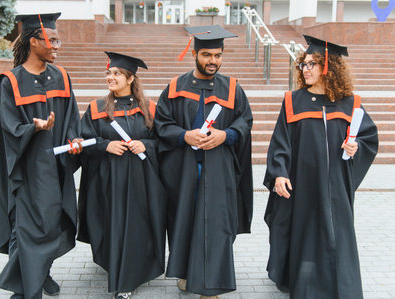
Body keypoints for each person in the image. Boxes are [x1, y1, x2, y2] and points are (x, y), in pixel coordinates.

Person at [263, 35, 379, 299]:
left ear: (329, 68)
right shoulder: (293, 101)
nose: (306, 69)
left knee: (339, 236)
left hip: (337, 186)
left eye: (313, 64)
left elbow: (368, 137)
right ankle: (305, 287)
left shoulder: (350, 103)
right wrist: (279, 173)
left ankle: (343, 288)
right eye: (304, 64)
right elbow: (280, 142)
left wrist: (356, 146)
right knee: (306, 236)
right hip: (303, 184)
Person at [154, 25, 254, 299]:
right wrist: (184, 135)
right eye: (208, 55)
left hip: (218, 170)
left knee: (215, 226)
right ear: (195, 53)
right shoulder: (175, 88)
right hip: (183, 171)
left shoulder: (232, 88)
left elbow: (245, 121)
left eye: (218, 55)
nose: (214, 61)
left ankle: (210, 288)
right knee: (183, 223)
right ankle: (187, 272)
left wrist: (226, 134)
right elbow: (161, 124)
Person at [0, 13, 83, 299]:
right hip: (27, 170)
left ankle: (42, 271)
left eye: (58, 40)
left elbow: (71, 120)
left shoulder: (61, 77)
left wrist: (74, 140)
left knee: (52, 224)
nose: (57, 46)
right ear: (33, 42)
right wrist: (34, 127)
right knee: (27, 229)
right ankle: (25, 289)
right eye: (52, 40)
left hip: (56, 167)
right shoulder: (12, 81)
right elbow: (8, 128)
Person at [77, 52, 167, 299]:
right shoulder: (97, 108)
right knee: (112, 226)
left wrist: (145, 146)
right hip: (109, 182)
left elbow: (163, 141)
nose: (110, 77)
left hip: (142, 182)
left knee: (138, 227)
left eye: (116, 73)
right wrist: (104, 145)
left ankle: (126, 279)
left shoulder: (149, 109)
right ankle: (116, 267)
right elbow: (83, 140)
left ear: (130, 78)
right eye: (108, 73)